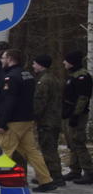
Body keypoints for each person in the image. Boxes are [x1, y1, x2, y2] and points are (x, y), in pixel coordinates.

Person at [0, 49, 56, 192]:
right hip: (26, 120)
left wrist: (1, 123)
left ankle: (0, 184)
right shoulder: (27, 75)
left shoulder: (11, 77)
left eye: (3, 57)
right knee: (31, 152)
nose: (1, 60)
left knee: (3, 152)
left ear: (10, 59)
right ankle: (46, 180)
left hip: (13, 121)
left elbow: (9, 102)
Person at [32, 55, 64, 187]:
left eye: (35, 63)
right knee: (51, 147)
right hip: (54, 118)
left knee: (48, 148)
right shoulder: (53, 78)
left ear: (41, 65)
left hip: (47, 120)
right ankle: (53, 174)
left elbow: (40, 102)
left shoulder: (44, 81)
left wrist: (34, 116)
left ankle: (54, 175)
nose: (33, 66)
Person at [61, 51, 93, 183]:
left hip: (78, 114)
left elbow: (83, 98)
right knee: (72, 143)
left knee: (78, 142)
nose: (64, 62)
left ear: (72, 62)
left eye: (66, 60)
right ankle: (75, 170)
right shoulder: (72, 76)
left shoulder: (82, 76)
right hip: (69, 113)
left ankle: (89, 171)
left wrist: (76, 114)